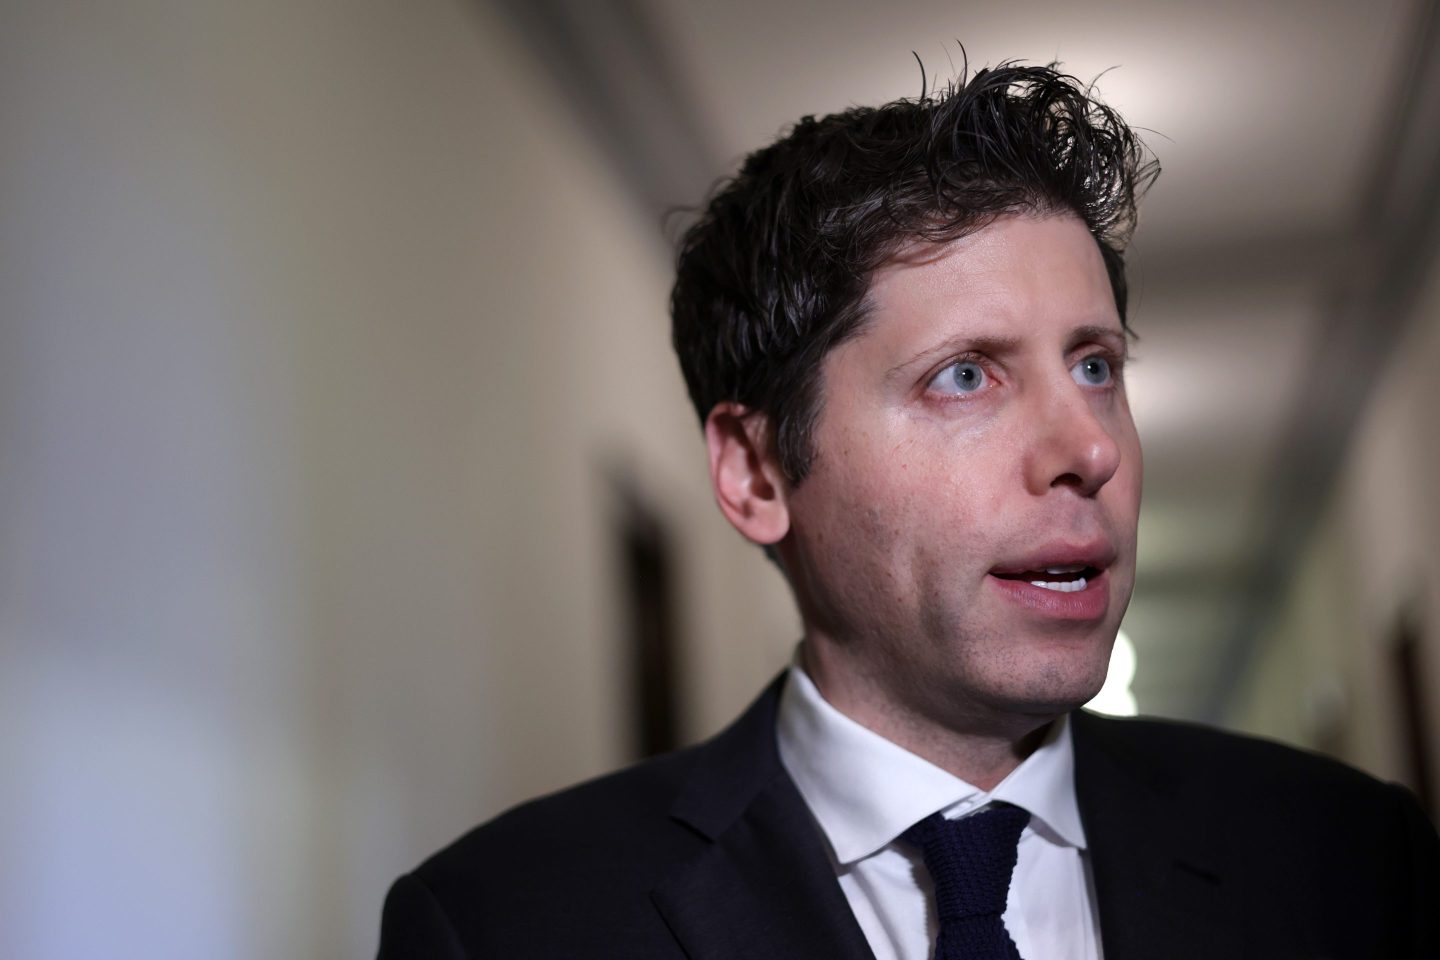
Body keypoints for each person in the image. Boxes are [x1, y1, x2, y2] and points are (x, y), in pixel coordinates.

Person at [377, 61, 1440, 959]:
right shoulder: (504, 925)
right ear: (756, 472)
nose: (1091, 448)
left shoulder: (1349, 857)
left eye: (1095, 366)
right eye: (967, 377)